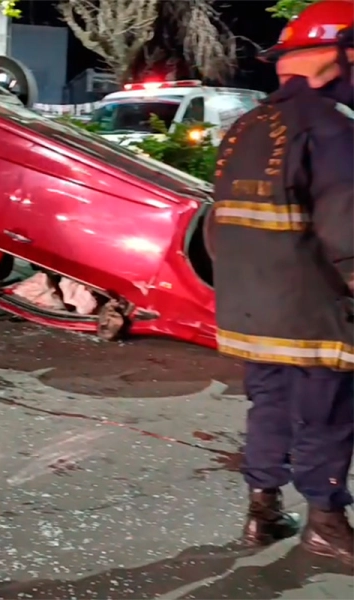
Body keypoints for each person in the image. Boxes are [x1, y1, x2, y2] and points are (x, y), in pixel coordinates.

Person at [208, 0, 354, 567]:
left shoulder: (246, 124)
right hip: (313, 309)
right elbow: (347, 225)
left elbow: (218, 225)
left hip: (250, 307)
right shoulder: (331, 128)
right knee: (326, 410)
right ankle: (325, 522)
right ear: (338, 56)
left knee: (268, 401)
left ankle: (261, 511)